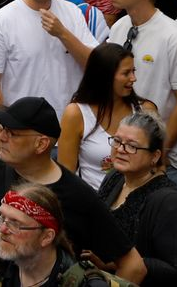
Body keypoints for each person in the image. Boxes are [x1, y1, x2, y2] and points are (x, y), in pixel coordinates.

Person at [0, 96, 140, 284]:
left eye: (12, 133)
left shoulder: (77, 195)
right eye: (3, 129)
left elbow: (133, 266)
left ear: (41, 144)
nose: (2, 137)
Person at [104, 0, 177, 200]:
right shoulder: (119, 27)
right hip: (129, 156)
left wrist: (160, 150)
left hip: (168, 163)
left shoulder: (175, 38)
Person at [97, 110, 177, 287]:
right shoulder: (114, 177)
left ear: (155, 156)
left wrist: (117, 263)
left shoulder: (170, 203)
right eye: (117, 141)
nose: (120, 149)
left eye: (132, 146)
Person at [57, 41, 150, 191]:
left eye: (134, 71)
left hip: (139, 204)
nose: (133, 78)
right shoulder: (76, 114)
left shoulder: (145, 110)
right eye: (126, 73)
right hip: (93, 206)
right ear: (104, 76)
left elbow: (158, 166)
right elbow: (65, 176)